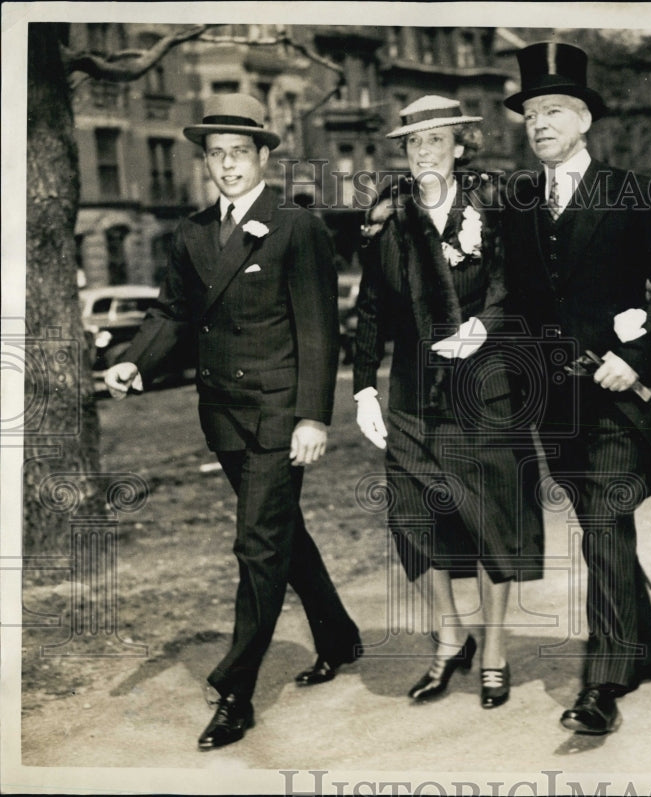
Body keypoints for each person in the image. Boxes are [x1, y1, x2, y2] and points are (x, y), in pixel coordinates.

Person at [104, 94, 361, 750]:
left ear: (264, 157)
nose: (226, 166)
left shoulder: (296, 224)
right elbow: (170, 312)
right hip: (221, 413)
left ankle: (235, 691)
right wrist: (134, 362)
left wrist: (312, 416)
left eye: (239, 153)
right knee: (280, 533)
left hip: (278, 411)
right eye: (215, 154)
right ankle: (338, 634)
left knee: (257, 542)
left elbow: (317, 328)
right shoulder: (192, 231)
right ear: (205, 162)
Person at [502, 42, 651, 734]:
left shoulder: (632, 190)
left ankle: (602, 682)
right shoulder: (518, 202)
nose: (539, 123)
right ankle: (645, 649)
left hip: (619, 400)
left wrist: (636, 354)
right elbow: (515, 303)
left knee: (607, 523)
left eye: (552, 110)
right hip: (555, 407)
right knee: (597, 530)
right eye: (529, 113)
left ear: (584, 119)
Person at [353, 95, 545, 710]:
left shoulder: (491, 205)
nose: (424, 153)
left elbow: (514, 285)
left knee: (491, 517)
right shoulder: (387, 218)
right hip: (412, 395)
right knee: (420, 518)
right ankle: (448, 641)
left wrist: (486, 326)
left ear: (461, 146)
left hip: (483, 388)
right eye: (414, 144)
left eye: (437, 141)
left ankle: (492, 650)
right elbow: (370, 311)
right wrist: (362, 386)